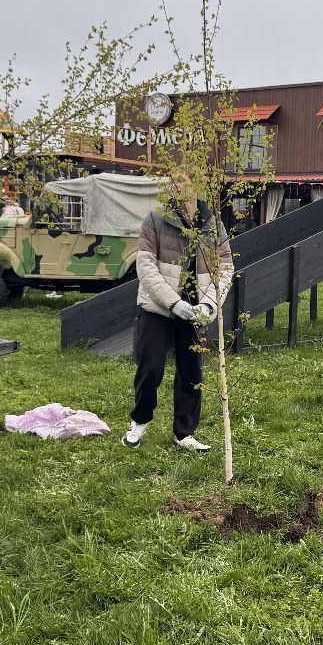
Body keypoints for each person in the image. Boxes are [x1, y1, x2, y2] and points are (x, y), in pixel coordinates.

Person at [122, 169, 233, 452]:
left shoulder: (213, 224)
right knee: (150, 368)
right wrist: (174, 303)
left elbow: (225, 267)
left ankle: (184, 433)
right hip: (158, 309)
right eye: (177, 182)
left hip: (197, 311)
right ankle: (140, 420)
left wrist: (209, 304)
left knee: (191, 373)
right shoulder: (156, 219)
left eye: (188, 181)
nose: (182, 187)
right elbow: (145, 267)